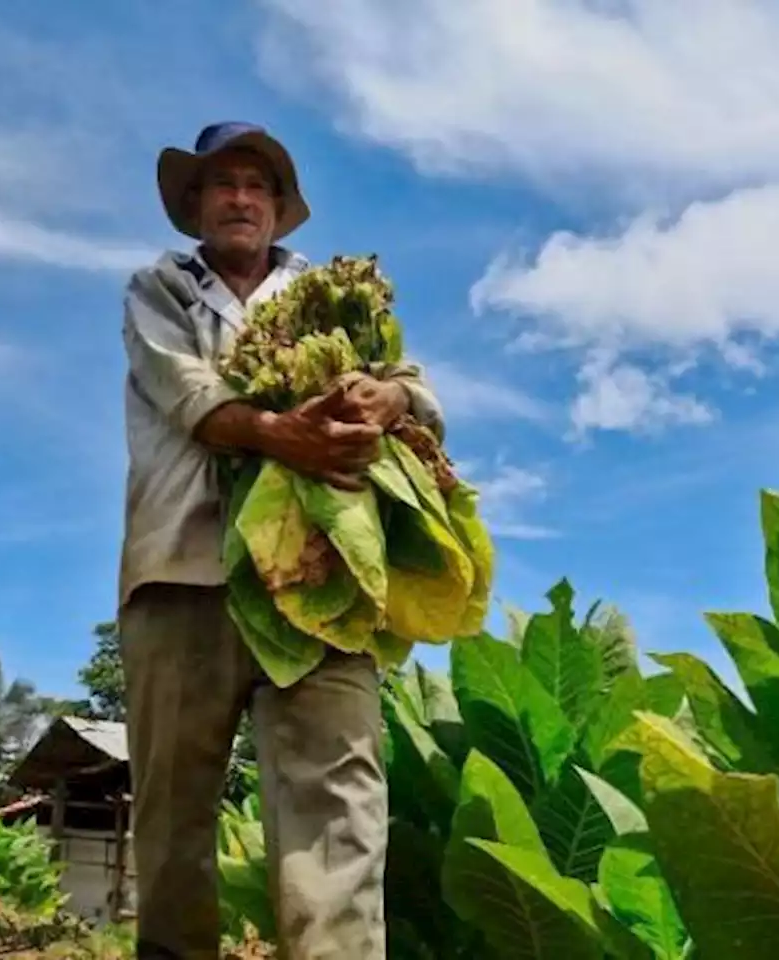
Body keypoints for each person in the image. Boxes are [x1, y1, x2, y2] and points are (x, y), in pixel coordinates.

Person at [117, 121, 442, 959]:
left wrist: (389, 401)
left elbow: (413, 383)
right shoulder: (160, 291)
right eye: (222, 184)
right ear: (195, 206)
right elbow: (188, 396)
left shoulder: (335, 294)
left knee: (340, 798)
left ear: (277, 207)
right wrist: (277, 432)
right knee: (175, 804)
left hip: (320, 574)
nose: (239, 198)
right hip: (185, 569)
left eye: (256, 186)